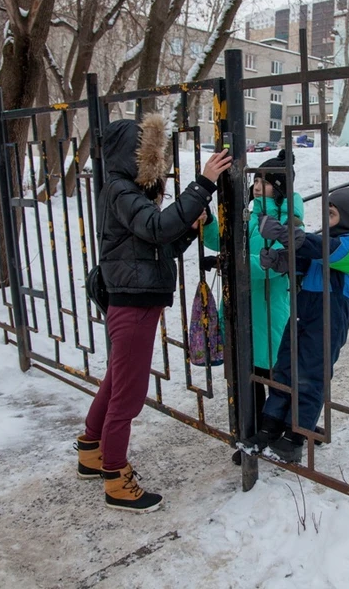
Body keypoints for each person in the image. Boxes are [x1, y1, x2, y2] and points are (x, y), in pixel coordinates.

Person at [75, 114, 232, 513]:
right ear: (132, 155)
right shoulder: (119, 189)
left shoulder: (126, 192)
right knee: (128, 396)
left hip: (136, 299)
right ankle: (115, 477)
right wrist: (203, 184)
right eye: (149, 154)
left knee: (116, 382)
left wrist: (189, 229)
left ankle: (91, 450)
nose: (155, 162)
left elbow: (158, 243)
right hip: (132, 305)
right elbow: (157, 227)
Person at [250, 187, 349, 463]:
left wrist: (285, 234)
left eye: (333, 212)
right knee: (284, 368)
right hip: (303, 309)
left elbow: (322, 250)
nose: (328, 216)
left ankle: (296, 436)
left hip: (330, 315)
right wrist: (281, 261)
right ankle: (271, 426)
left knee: (311, 374)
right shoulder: (325, 240)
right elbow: (304, 262)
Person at [202, 149, 305, 464]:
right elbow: (227, 242)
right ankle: (254, 432)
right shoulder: (249, 212)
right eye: (257, 179)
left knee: (277, 375)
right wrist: (209, 223)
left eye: (267, 181)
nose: (259, 185)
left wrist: (232, 265)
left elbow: (271, 263)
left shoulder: (287, 217)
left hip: (268, 311)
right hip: (244, 310)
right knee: (249, 376)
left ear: (281, 186)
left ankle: (291, 429)